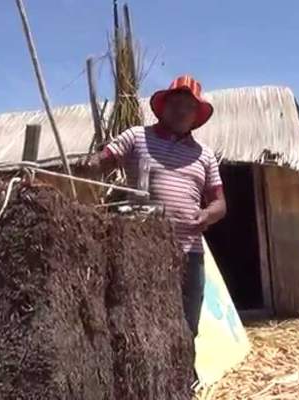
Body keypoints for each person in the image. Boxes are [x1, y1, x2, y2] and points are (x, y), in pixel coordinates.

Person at [86, 75, 226, 342]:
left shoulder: (204, 155)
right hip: (141, 252)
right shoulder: (137, 136)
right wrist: (92, 162)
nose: (182, 111)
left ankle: (184, 382)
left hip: (189, 253)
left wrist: (208, 214)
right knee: (141, 330)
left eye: (189, 106)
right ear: (164, 107)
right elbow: (103, 161)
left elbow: (220, 204)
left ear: (196, 114)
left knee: (187, 329)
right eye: (176, 103)